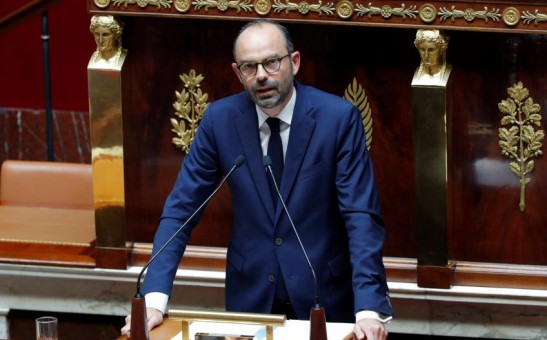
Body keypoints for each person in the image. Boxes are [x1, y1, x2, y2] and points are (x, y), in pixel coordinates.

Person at [121, 19, 393, 339]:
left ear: (294, 62)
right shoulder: (219, 121)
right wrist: (153, 299)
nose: (261, 75)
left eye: (271, 62)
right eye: (250, 67)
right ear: (238, 73)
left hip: (326, 299)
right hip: (250, 300)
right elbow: (181, 210)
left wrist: (369, 308)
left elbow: (360, 216)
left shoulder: (337, 119)